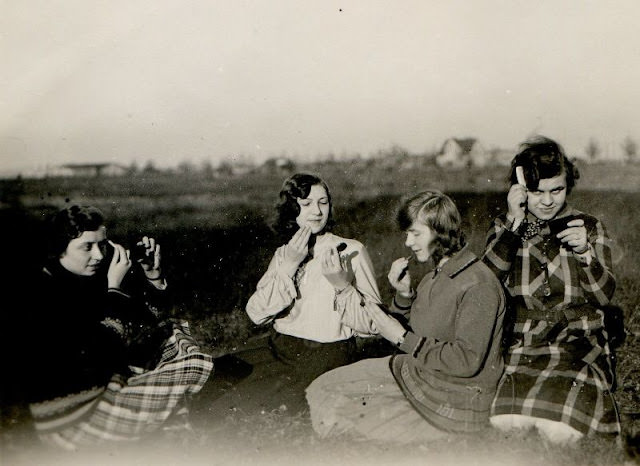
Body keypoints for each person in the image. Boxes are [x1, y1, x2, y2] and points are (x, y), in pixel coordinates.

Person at [306, 190, 505, 443]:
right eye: (407, 233)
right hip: (419, 373)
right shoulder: (438, 273)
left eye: (416, 233)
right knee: (321, 389)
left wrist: (401, 338)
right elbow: (418, 332)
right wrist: (403, 297)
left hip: (453, 395)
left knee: (342, 417)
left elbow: (465, 361)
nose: (408, 242)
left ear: (441, 232)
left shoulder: (478, 284)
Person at [25, 205, 213, 450]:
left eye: (102, 245)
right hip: (71, 416)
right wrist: (113, 288)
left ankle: (158, 417)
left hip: (96, 389)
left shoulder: (80, 277)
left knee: (171, 332)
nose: (100, 256)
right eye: (87, 247)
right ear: (59, 249)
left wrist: (153, 276)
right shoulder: (43, 291)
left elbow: (147, 321)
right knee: (193, 364)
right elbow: (102, 350)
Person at [199, 173, 381, 416]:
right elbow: (256, 314)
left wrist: (341, 286)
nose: (317, 211)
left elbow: (371, 324)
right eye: (306, 204)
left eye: (323, 202)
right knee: (213, 380)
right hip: (280, 346)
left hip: (325, 353)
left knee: (247, 408)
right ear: (292, 209)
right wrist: (289, 265)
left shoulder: (351, 251)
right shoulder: (286, 253)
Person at [482, 136, 620, 443]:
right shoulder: (506, 227)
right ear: (520, 190)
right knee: (506, 420)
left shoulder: (589, 226)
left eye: (556, 190)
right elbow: (486, 286)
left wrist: (586, 253)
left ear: (567, 186)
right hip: (524, 342)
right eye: (536, 192)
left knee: (561, 424)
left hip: (577, 340)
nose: (547, 201)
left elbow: (603, 294)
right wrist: (514, 224)